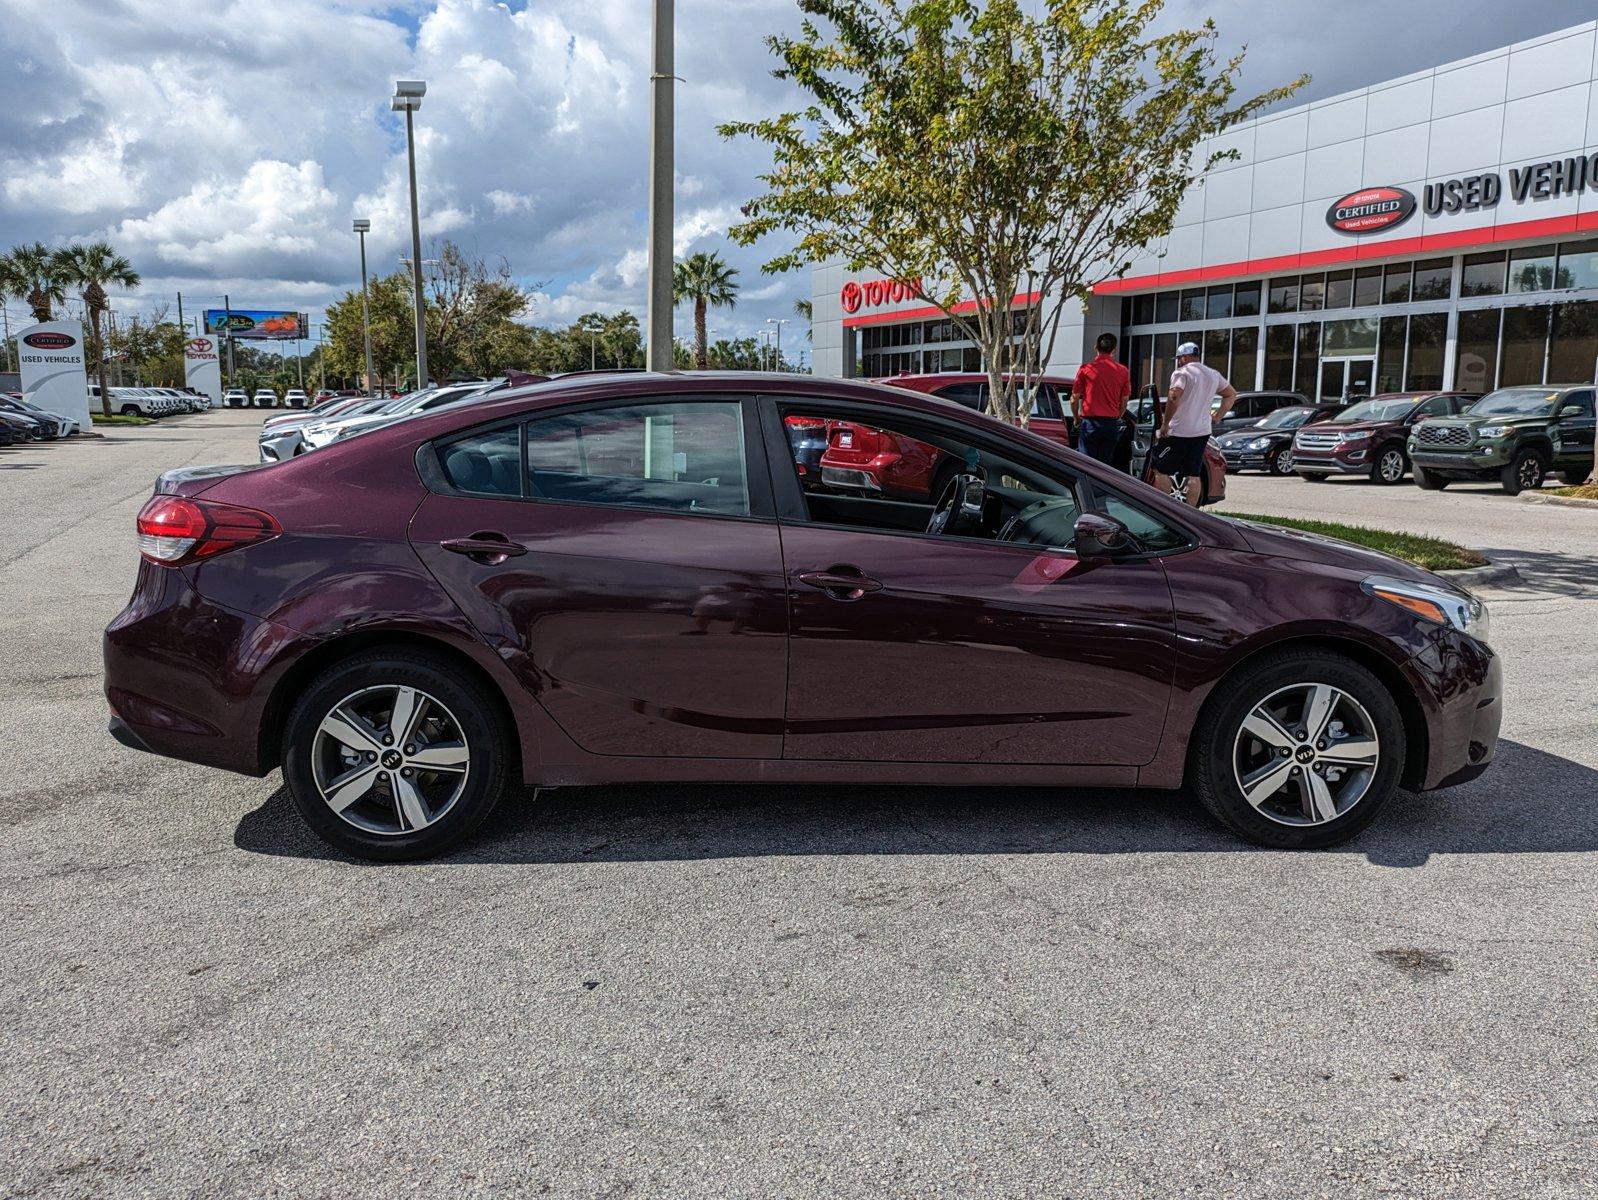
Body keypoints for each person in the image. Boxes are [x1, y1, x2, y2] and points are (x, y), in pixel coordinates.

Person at [1154, 341, 1237, 504]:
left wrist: (1165, 424)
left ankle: (1163, 507)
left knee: (1160, 469)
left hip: (1178, 431)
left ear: (1184, 357)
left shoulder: (1182, 373)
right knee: (1193, 474)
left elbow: (1174, 396)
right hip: (1202, 432)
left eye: (1179, 358)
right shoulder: (1212, 374)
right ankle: (1190, 512)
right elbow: (1231, 394)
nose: (1178, 362)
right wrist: (1217, 416)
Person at [1069, 332, 1131, 466]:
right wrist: (1116, 417)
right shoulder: (1123, 371)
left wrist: (1076, 418)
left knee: (1086, 464)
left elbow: (1074, 398)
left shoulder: (1086, 369)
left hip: (1090, 423)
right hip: (1110, 424)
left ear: (1095, 347)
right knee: (1104, 467)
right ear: (1114, 350)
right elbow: (1124, 400)